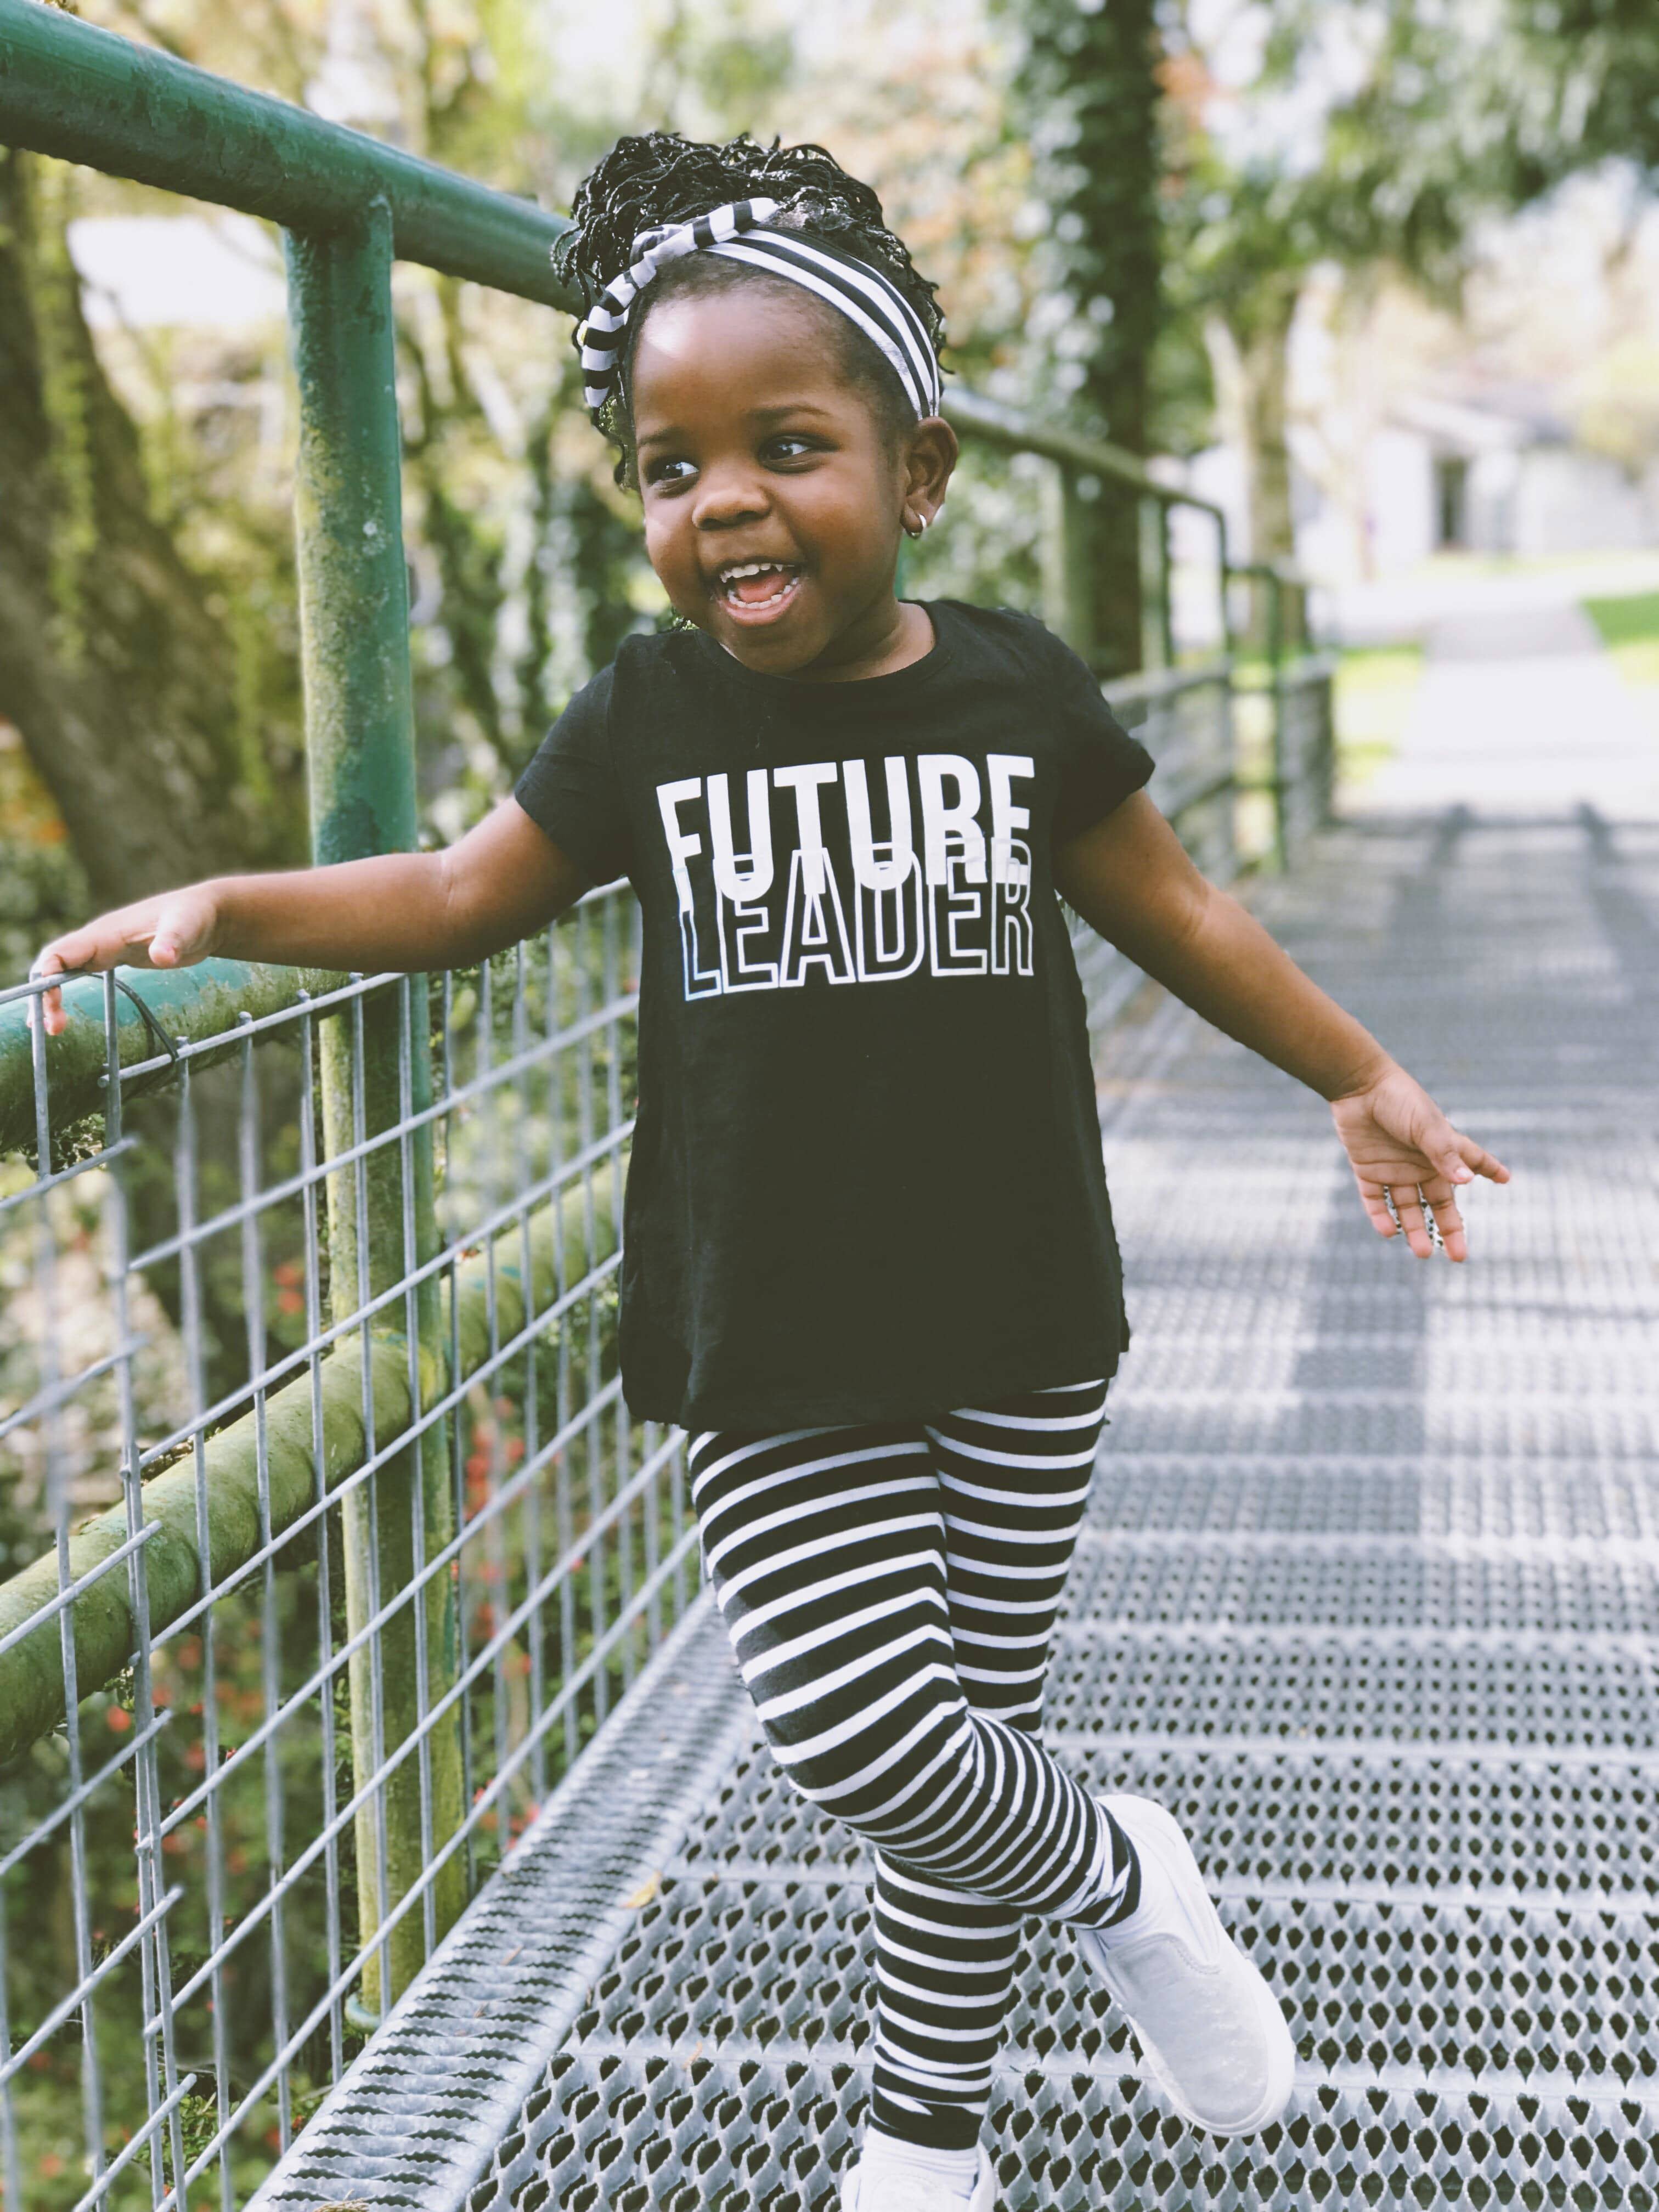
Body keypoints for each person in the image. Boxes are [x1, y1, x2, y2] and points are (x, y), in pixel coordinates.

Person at [31, 131, 1510, 2212]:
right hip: (769, 1325)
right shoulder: (649, 716)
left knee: (958, 1748)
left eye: (785, 446)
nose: (721, 496)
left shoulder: (1015, 692)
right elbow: (457, 892)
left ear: (917, 474)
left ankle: (923, 2146)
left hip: (1016, 1313)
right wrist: (230, 902)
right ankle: (1127, 1874)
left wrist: (1359, 1073)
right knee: (857, 1733)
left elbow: (1178, 913)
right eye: (668, 465)